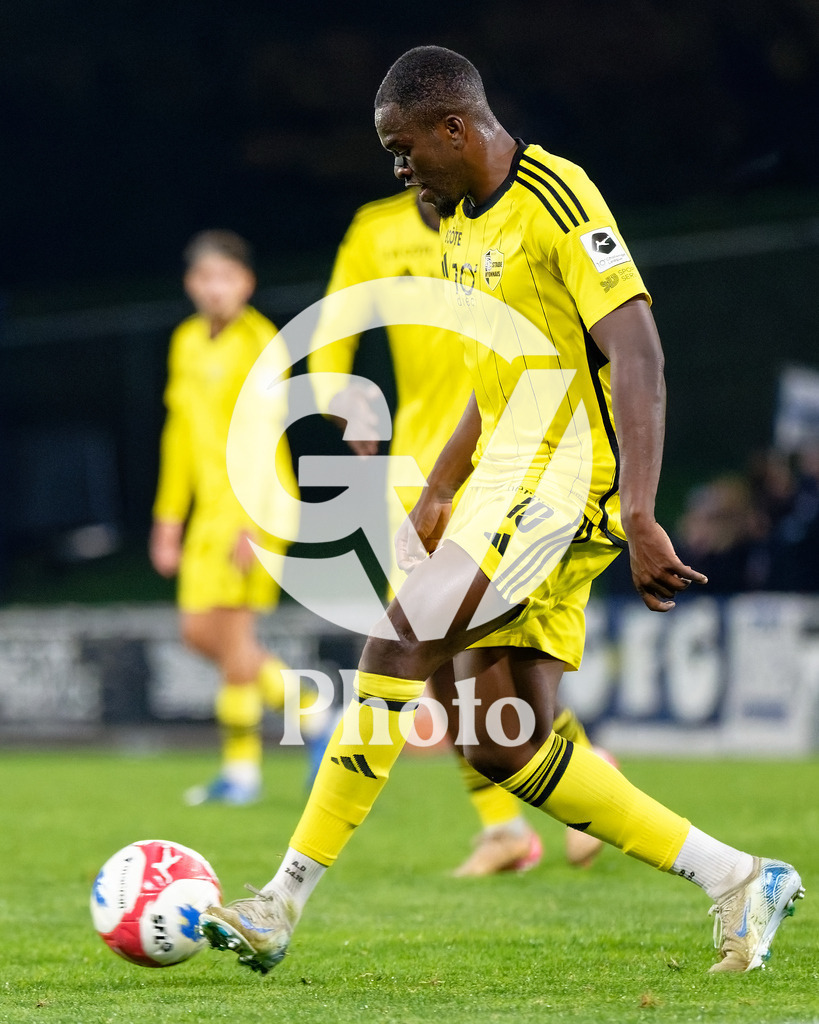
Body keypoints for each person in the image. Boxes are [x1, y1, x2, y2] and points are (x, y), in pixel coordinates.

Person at [201, 47, 804, 974]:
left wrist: (640, 512)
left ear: (455, 127)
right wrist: (443, 483)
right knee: (500, 742)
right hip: (503, 481)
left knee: (396, 640)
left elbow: (635, 353)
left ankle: (281, 901)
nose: (399, 169)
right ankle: (738, 877)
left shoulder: (557, 200)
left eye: (405, 149)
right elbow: (501, 373)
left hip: (567, 485)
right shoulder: (456, 224)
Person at [308, 185, 615, 874]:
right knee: (435, 662)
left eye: (409, 146)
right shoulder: (375, 227)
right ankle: (512, 816)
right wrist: (341, 398)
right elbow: (335, 324)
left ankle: (560, 774)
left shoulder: (495, 220)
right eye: (397, 151)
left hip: (509, 454)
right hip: (421, 465)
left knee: (447, 647)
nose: (406, 163)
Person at [150, 229, 300, 806]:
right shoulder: (187, 342)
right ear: (192, 285)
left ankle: (241, 771)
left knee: (236, 639)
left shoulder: (262, 344)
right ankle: (312, 713)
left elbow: (261, 441)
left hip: (255, 508)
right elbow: (180, 436)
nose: (216, 289)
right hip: (208, 516)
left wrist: (254, 521)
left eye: (227, 278)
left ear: (247, 284)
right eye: (205, 278)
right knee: (197, 633)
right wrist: (168, 520)